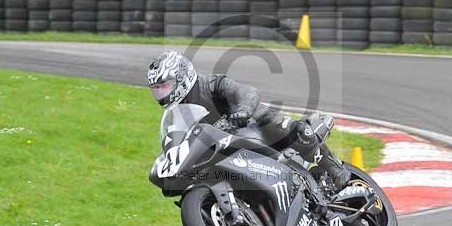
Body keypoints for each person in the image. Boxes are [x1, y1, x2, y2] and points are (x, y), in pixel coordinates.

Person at [147, 50, 351, 191]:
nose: (161, 94)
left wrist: (242, 110)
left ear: (181, 77)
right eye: (157, 89)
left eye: (165, 86)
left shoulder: (210, 85)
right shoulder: (177, 114)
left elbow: (246, 91)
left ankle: (334, 167)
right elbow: (175, 141)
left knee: (287, 128)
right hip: (224, 149)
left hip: (254, 128)